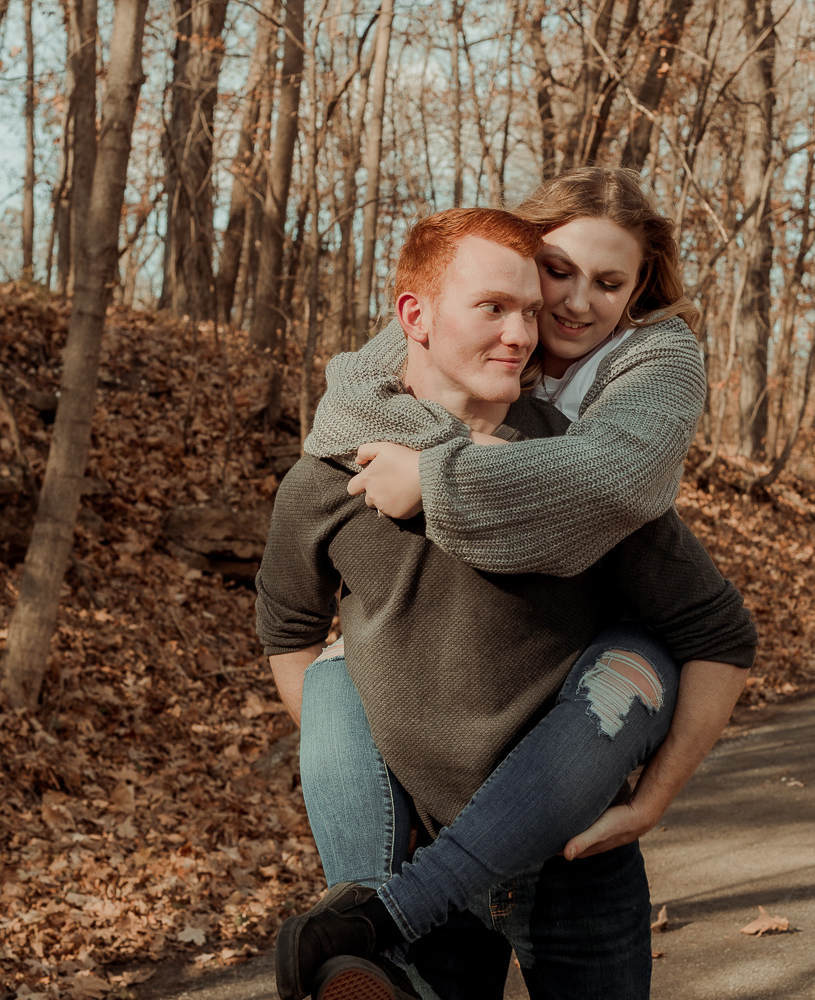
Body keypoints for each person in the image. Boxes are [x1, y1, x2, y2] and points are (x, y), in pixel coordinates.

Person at [255, 206, 757, 1000]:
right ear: (415, 317)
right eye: (493, 308)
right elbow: (289, 633)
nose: (522, 334)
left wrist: (650, 803)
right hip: (420, 865)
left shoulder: (573, 475)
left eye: (529, 310)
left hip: (577, 874)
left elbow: (718, 634)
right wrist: (373, 785)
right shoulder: (328, 479)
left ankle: (367, 925)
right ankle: (372, 927)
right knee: (333, 672)